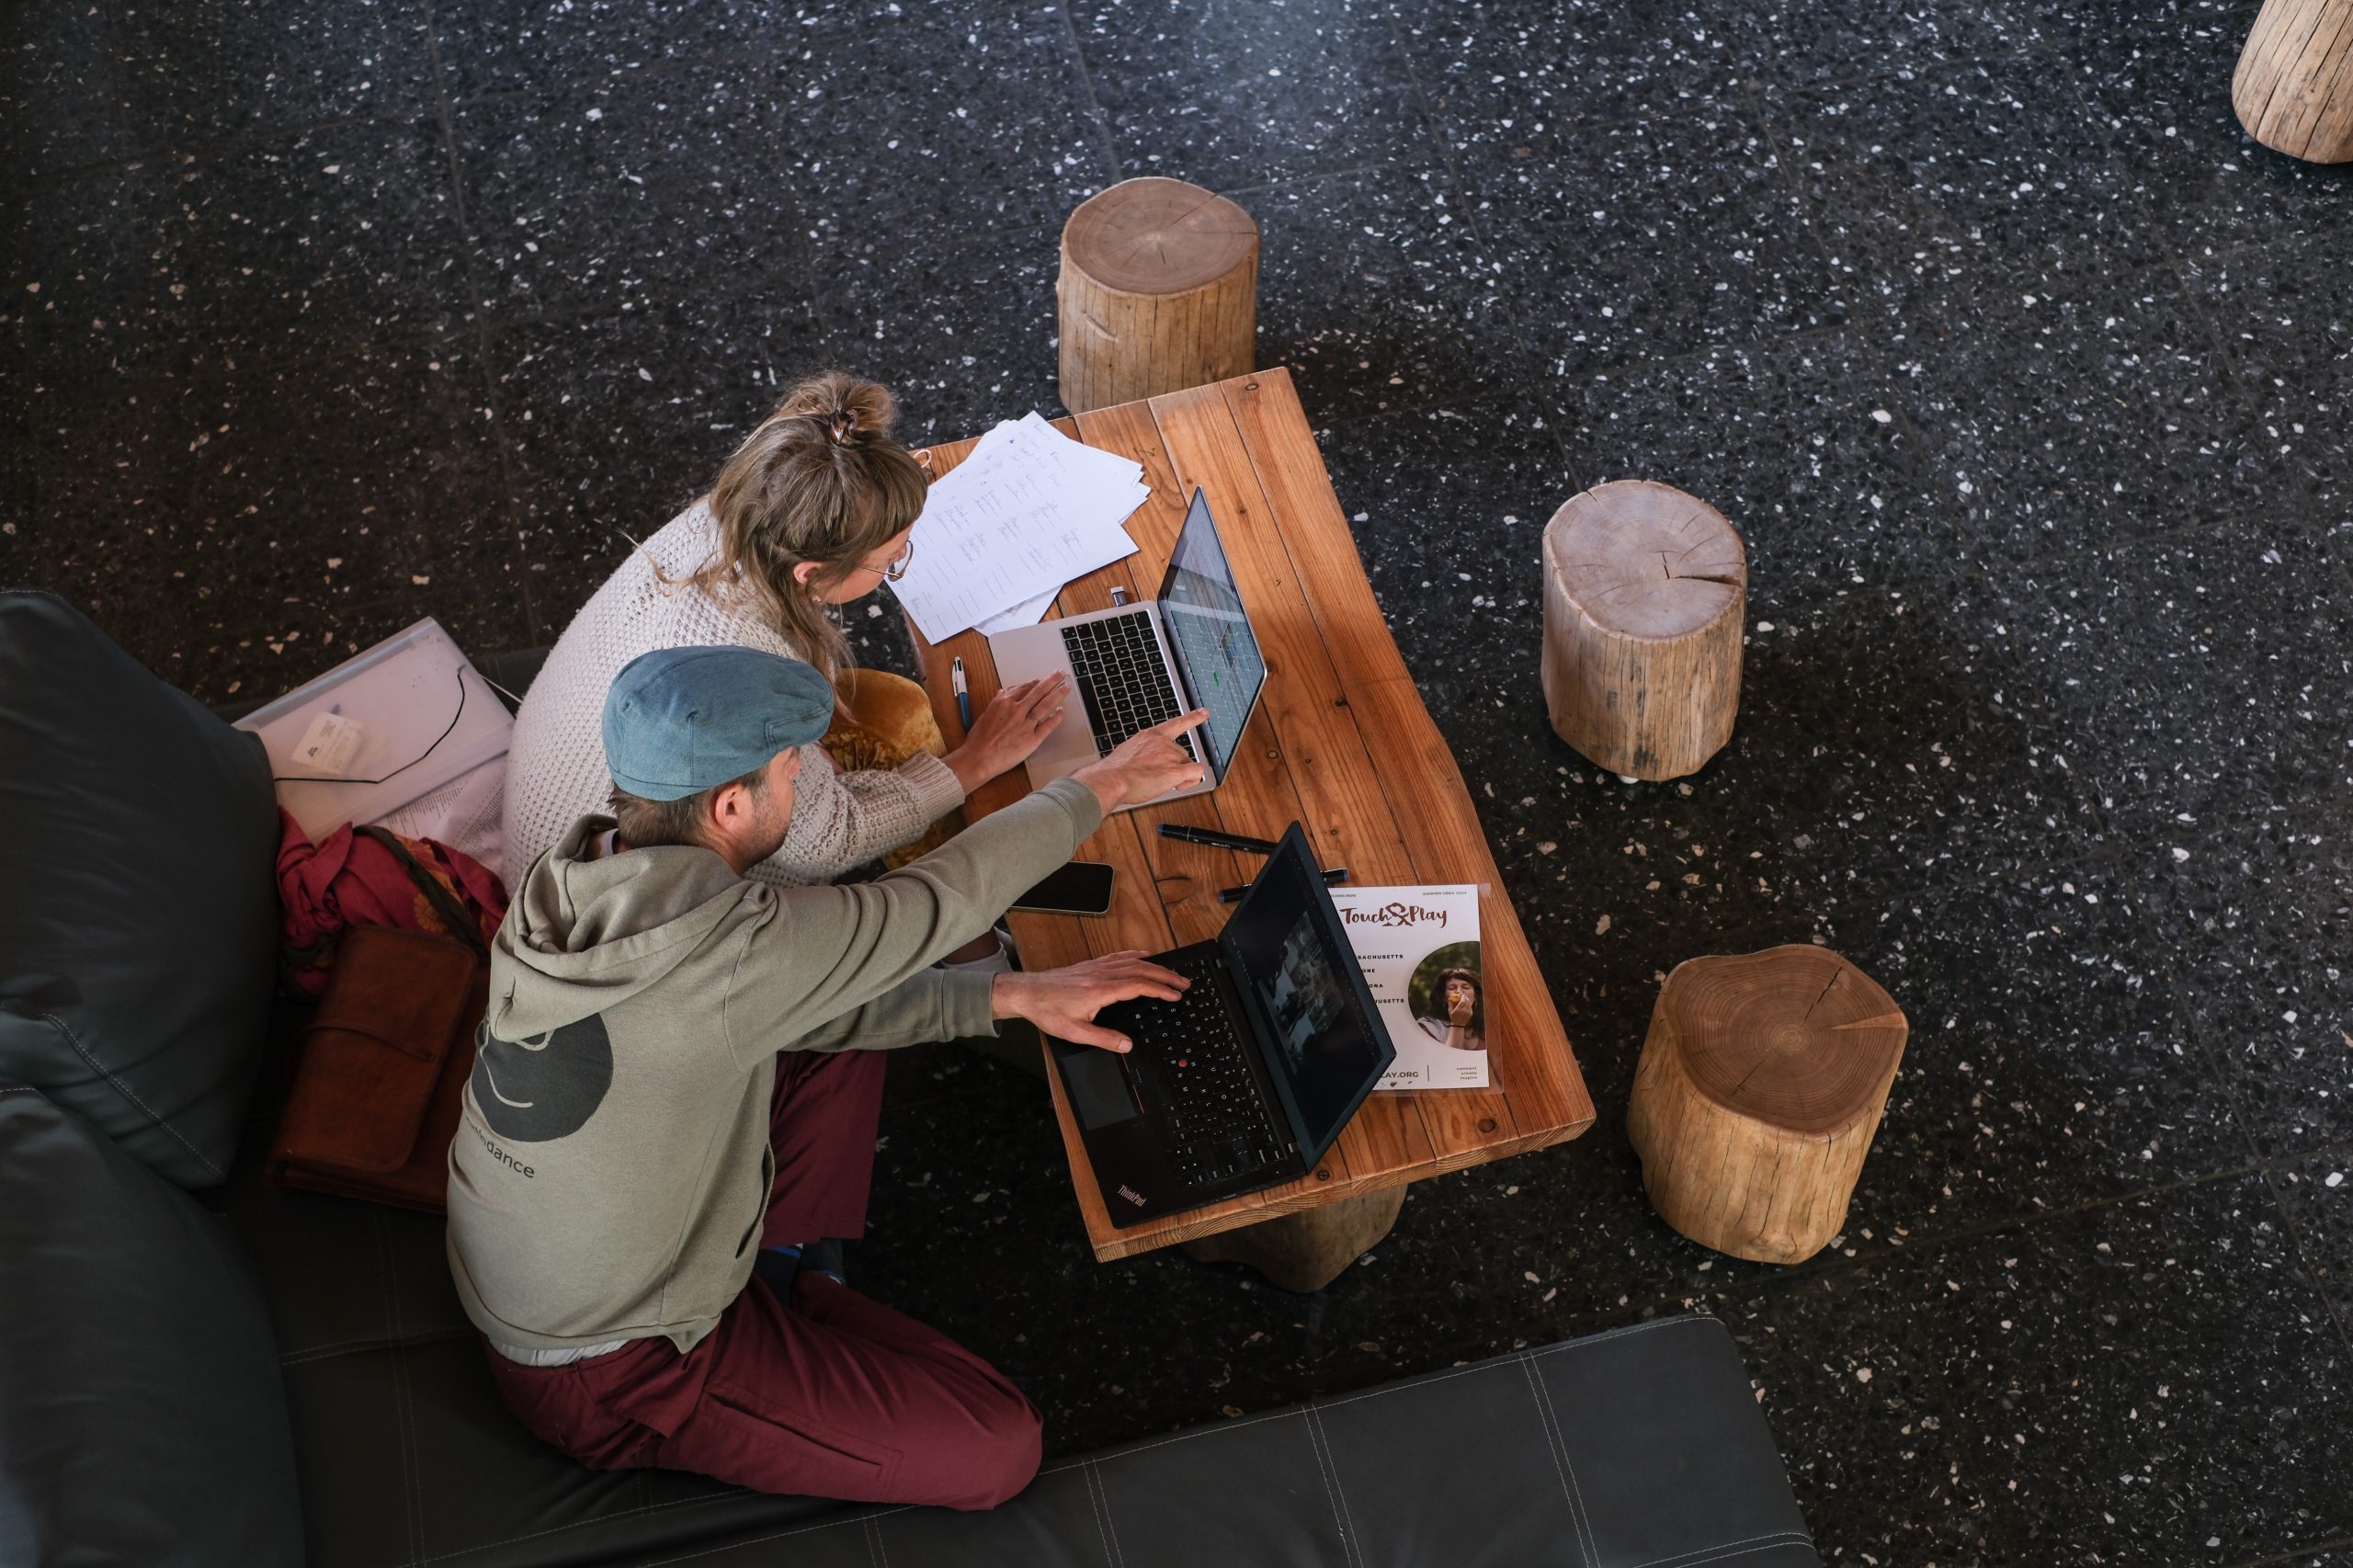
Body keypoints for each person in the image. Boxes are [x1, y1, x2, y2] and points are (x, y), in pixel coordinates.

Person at [448, 645, 1209, 1509]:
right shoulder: (735, 953)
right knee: (998, 1447)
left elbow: (766, 1003)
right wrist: (1104, 782)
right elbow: (941, 899)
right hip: (615, 1366)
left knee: (837, 1026)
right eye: (792, 771)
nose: (809, 783)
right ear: (730, 805)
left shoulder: (572, 875)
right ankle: (797, 1291)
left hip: (552, 1259)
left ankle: (780, 1272)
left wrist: (1006, 995)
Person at [498, 370, 1071, 907]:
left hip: (555, 811)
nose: (897, 566)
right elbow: (824, 843)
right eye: (891, 559)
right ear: (810, 572)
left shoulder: (739, 510)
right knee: (900, 714)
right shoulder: (742, 664)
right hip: (625, 897)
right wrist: (975, 761)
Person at [1415, 967, 1485, 1051]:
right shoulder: (1429, 1027)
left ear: (1475, 997)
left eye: (1466, 987)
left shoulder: (1487, 1027)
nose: (1459, 991)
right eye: (1452, 988)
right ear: (1443, 997)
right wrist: (1458, 1023)